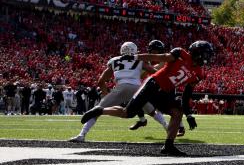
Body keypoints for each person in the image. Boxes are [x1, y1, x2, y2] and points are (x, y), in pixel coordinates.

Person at [80, 40, 214, 156]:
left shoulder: (199, 73)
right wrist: (137, 56)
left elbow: (186, 95)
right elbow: (159, 57)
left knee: (177, 112)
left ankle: (168, 146)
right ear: (197, 52)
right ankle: (100, 110)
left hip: (165, 93)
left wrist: (189, 115)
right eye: (206, 54)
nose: (207, 57)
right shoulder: (180, 54)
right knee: (128, 113)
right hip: (152, 85)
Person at [70, 42, 167, 143]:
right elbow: (154, 72)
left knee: (96, 111)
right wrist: (161, 65)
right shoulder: (140, 59)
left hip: (121, 88)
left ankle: (82, 135)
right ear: (134, 50)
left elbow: (101, 81)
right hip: (137, 89)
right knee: (152, 111)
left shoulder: (114, 60)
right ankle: (168, 128)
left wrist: (105, 94)